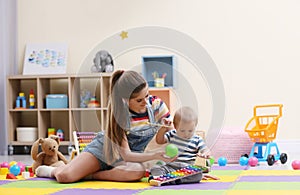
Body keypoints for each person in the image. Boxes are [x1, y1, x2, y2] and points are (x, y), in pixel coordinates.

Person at [36, 70, 176, 183]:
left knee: (137, 172)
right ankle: (53, 170)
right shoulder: (120, 113)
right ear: (125, 100)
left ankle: (91, 176)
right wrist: (153, 155)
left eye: (147, 95)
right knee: (65, 177)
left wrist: (168, 129)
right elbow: (126, 154)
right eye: (139, 100)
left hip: (128, 159)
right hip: (104, 152)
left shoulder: (157, 105)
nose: (146, 102)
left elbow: (169, 137)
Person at [149, 106, 210, 184]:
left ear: (195, 126)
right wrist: (163, 128)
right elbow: (159, 141)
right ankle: (161, 178)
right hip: (171, 166)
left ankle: (168, 180)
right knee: (155, 168)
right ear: (175, 126)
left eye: (190, 130)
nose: (186, 134)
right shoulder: (172, 134)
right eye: (182, 130)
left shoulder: (197, 139)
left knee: (198, 176)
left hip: (187, 169)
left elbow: (205, 150)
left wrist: (205, 154)